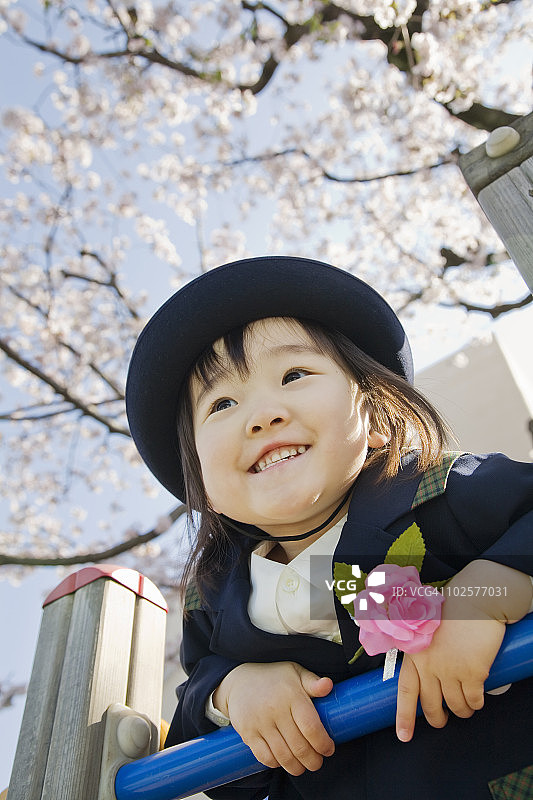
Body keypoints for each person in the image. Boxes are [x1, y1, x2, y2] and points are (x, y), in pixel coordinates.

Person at [126, 256, 533, 800]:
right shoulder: (216, 596)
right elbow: (195, 708)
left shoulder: (434, 491)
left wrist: (484, 596)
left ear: (370, 403)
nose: (262, 415)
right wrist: (231, 692)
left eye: (294, 375)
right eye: (221, 403)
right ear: (197, 470)